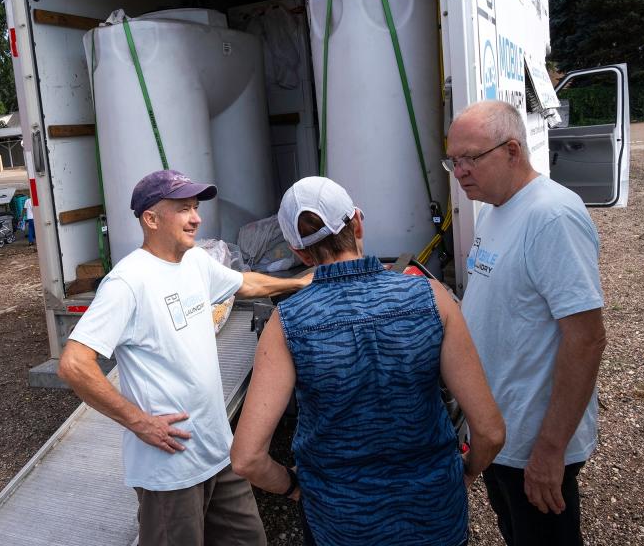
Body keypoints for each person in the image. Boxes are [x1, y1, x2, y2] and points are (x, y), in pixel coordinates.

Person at [230, 176, 505, 546]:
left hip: (341, 524)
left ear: (298, 253)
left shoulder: (288, 323)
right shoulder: (430, 296)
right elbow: (489, 431)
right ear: (357, 221)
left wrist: (296, 487)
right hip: (434, 514)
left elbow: (247, 459)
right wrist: (465, 473)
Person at [58, 169, 311, 546]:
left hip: (218, 453)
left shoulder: (194, 262)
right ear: (151, 218)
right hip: (169, 469)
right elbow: (74, 364)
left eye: (195, 207)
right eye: (184, 209)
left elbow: (246, 284)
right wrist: (140, 422)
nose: (197, 217)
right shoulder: (128, 282)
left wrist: (301, 282)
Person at [445, 100, 607, 546]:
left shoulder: (552, 216)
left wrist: (550, 450)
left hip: (535, 440)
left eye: (470, 159)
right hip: (499, 430)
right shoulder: (495, 209)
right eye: (453, 160)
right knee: (516, 531)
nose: (459, 172)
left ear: (512, 151)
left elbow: (587, 338)